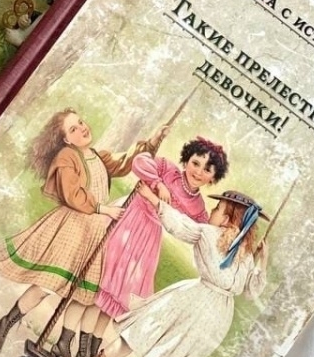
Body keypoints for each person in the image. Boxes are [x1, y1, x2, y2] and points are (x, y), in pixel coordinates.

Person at [63, 189, 269, 357]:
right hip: (214, 312)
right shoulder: (241, 253)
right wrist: (261, 262)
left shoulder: (214, 237)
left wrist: (154, 200)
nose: (212, 211)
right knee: (168, 345)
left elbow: (179, 225)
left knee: (151, 333)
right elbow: (250, 291)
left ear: (227, 219)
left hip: (198, 304)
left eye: (218, 209)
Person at [0, 109, 165, 357]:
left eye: (81, 123)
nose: (82, 128)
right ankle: (6, 322)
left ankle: (63, 344)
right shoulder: (67, 157)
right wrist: (102, 209)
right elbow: (72, 194)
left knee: (84, 293)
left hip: (95, 233)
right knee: (47, 284)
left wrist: (152, 143)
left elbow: (125, 163)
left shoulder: (97, 156)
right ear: (66, 139)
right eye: (73, 129)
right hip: (73, 227)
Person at [95, 137, 228, 319]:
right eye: (195, 163)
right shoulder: (168, 170)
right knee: (104, 267)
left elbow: (204, 230)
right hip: (128, 217)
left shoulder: (197, 206)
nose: (198, 172)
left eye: (207, 170)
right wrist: (158, 183)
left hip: (148, 238)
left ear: (213, 177)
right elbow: (140, 161)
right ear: (186, 160)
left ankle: (95, 331)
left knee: (125, 285)